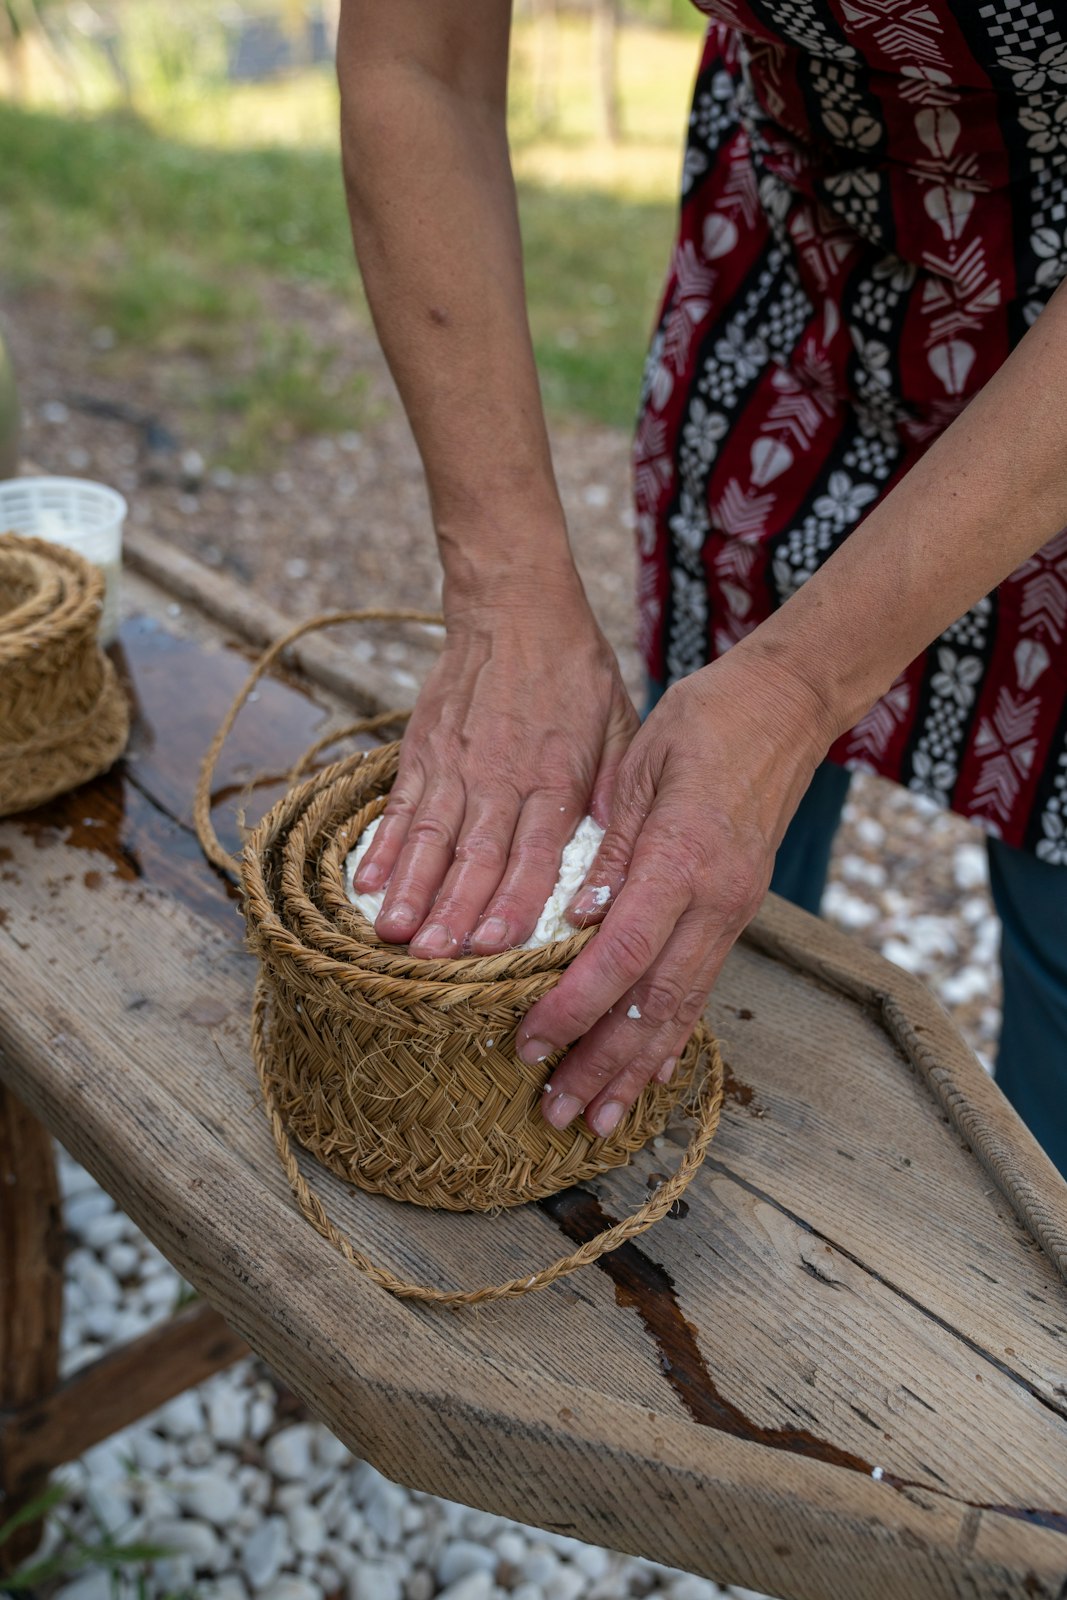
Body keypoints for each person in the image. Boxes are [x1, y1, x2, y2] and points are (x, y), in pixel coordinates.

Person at [335, 0, 1067, 1175]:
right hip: (802, 242)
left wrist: (796, 686)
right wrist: (505, 586)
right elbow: (418, 62)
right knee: (681, 854)